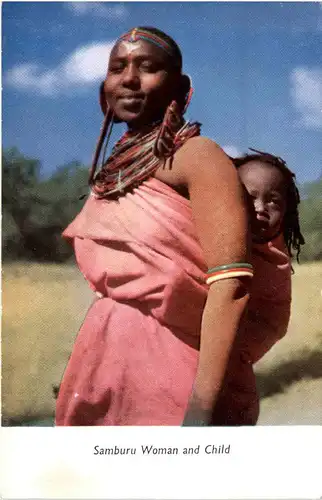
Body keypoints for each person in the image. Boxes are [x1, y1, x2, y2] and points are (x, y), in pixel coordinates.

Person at [55, 26, 254, 426]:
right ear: (104, 89)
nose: (129, 78)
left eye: (148, 67)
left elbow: (231, 285)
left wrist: (200, 411)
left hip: (178, 372)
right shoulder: (113, 171)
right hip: (102, 367)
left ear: (181, 87)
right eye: (117, 68)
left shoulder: (198, 157)